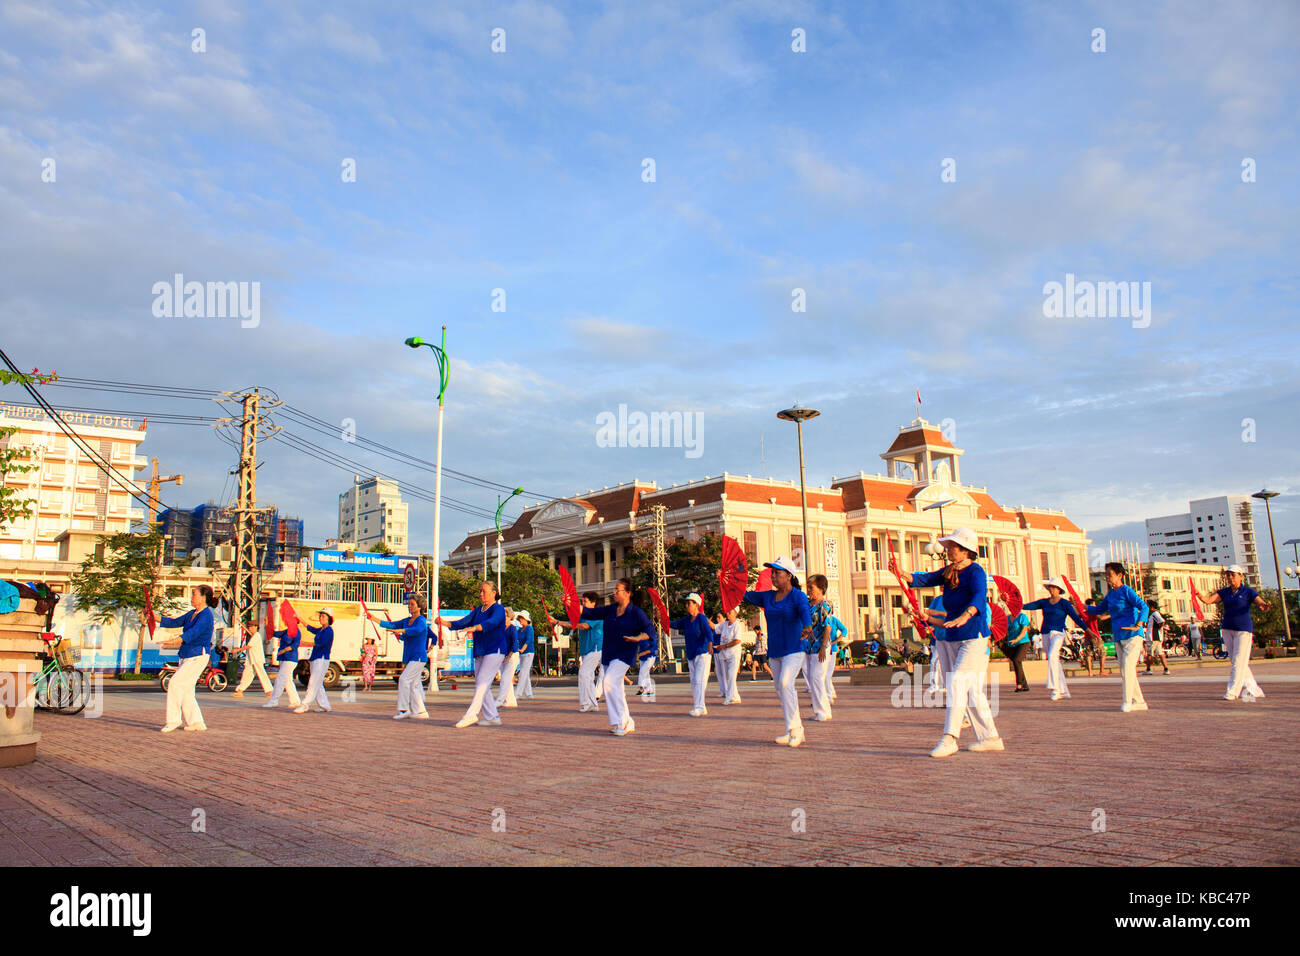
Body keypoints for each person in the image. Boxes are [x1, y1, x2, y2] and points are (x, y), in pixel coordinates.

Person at [893, 528, 1003, 758]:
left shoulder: (976, 572)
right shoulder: (949, 571)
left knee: (956, 683)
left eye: (952, 546)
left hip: (973, 635)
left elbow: (979, 596)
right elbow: (925, 578)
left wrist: (966, 615)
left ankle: (950, 737)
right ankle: (990, 737)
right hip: (952, 635)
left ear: (965, 550)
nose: (948, 550)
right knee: (971, 690)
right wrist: (902, 573)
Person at [556, 578, 653, 736]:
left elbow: (649, 630)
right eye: (614, 589)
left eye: (618, 590)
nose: (614, 593)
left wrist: (638, 638)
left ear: (628, 593)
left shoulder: (636, 613)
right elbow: (590, 612)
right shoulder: (611, 609)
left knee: (608, 683)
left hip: (624, 654)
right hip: (609, 653)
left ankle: (624, 722)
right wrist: (569, 602)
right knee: (615, 688)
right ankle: (621, 721)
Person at [743, 556, 813, 748]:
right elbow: (744, 594)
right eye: (772, 572)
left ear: (789, 576)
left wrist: (807, 626)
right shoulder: (767, 596)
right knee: (781, 689)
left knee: (784, 683)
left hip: (794, 648)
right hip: (775, 651)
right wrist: (727, 582)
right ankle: (793, 730)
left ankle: (795, 730)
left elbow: (804, 611)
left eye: (777, 573)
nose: (773, 576)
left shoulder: (797, 595)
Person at [438, 582, 508, 728]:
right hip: (480, 650)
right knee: (482, 684)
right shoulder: (478, 610)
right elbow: (463, 622)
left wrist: (476, 627)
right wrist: (445, 623)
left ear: (494, 592)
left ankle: (471, 714)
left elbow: (493, 622)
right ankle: (493, 717)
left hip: (495, 649)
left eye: (484, 591)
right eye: (480, 591)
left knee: (482, 681)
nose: (480, 594)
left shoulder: (499, 609)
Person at [1085, 563, 1151, 712]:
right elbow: (1098, 609)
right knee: (1125, 670)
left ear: (1119, 576)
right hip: (1119, 636)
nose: (1107, 577)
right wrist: (1083, 607)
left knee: (1128, 667)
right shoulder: (1110, 595)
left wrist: (1139, 623)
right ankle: (1140, 702)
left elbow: (1144, 607)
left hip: (1133, 635)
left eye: (1110, 574)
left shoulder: (1127, 591)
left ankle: (1127, 702)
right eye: (1106, 574)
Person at [1199, 565, 1270, 702]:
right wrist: (1199, 596)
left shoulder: (1248, 592)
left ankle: (1232, 692)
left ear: (1241, 576)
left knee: (1238, 661)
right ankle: (1253, 689)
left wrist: (1264, 605)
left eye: (1233, 575)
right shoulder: (1225, 592)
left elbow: (1259, 602)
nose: (1230, 578)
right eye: (1228, 575)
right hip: (1227, 629)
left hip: (1243, 630)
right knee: (1237, 662)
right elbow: (1209, 600)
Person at [156, 585, 218, 732]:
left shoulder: (206, 615)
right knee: (186, 690)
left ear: (203, 598)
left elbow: (193, 633)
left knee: (175, 683)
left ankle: (173, 720)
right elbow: (173, 622)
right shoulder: (192, 614)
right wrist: (154, 616)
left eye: (194, 595)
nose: (191, 597)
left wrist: (174, 641)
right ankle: (196, 722)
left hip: (198, 656)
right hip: (186, 655)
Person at [367, 595, 430, 720]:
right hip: (410, 656)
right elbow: (392, 624)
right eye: (409, 604)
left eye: (412, 604)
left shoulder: (421, 620)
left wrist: (402, 631)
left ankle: (404, 709)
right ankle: (421, 711)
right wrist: (374, 619)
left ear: (419, 606)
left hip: (418, 657)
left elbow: (417, 630)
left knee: (404, 679)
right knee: (414, 684)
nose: (410, 606)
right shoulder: (407, 620)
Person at [1023, 578, 1087, 700]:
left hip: (1058, 633)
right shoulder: (1044, 602)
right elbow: (1028, 606)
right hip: (1046, 633)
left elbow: (1076, 618)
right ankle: (1065, 690)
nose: (1051, 590)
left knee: (1052, 656)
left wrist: (1087, 630)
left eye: (1053, 587)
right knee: (1054, 661)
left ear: (1058, 589)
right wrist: (1013, 604)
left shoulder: (1064, 603)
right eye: (1050, 587)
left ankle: (1055, 689)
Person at [672, 592, 715, 717]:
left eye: (689, 603)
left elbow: (708, 631)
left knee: (700, 680)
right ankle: (700, 706)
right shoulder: (686, 620)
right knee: (694, 681)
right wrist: (662, 618)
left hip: (702, 653)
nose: (686, 605)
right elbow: (674, 624)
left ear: (696, 605)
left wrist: (711, 643)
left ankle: (699, 707)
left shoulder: (701, 618)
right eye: (686, 603)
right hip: (691, 654)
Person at [803, 574, 835, 722]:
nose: (809, 590)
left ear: (821, 589)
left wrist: (823, 647)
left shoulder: (825, 605)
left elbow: (827, 628)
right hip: (808, 647)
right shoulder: (808, 604)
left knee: (817, 677)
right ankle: (820, 710)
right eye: (808, 587)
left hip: (820, 648)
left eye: (812, 587)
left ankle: (822, 710)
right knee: (812, 678)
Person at [295, 608, 335, 714]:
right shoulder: (322, 629)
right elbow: (311, 628)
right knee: (317, 683)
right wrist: (300, 618)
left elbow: (319, 644)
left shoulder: (328, 631)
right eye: (320, 616)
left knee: (313, 682)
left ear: (329, 619)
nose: (320, 618)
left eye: (323, 616)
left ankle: (304, 705)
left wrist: (303, 643)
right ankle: (324, 705)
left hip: (321, 659)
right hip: (315, 658)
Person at [570, 592, 605, 712]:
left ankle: (587, 702)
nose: (583, 603)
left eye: (585, 601)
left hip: (595, 648)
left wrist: (573, 625)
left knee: (584, 674)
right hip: (585, 649)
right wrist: (557, 622)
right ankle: (593, 704)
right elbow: (573, 623)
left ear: (593, 603)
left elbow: (584, 626)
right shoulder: (583, 615)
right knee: (588, 676)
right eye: (582, 601)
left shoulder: (597, 615)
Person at [263, 613, 304, 711]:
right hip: (283, 658)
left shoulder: (297, 632)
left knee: (280, 678)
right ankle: (295, 701)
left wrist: (284, 650)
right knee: (287, 680)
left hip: (290, 658)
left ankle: (274, 701)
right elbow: (275, 634)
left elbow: (295, 644)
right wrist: (266, 625)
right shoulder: (286, 631)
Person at [232, 616, 273, 698]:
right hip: (251, 659)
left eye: (251, 627)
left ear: (255, 627)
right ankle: (240, 690)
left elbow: (249, 646)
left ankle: (270, 691)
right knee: (247, 674)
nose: (250, 629)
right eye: (249, 627)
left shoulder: (257, 635)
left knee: (262, 674)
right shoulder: (254, 636)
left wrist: (238, 650)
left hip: (257, 659)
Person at [711, 608, 742, 704]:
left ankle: (729, 697)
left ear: (736, 613)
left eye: (730, 612)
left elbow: (737, 640)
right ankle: (736, 697)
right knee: (727, 676)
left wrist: (723, 646)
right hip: (724, 655)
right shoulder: (724, 625)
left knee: (731, 676)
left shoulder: (737, 625)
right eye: (727, 612)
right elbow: (713, 627)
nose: (728, 614)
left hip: (733, 655)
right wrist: (703, 615)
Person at [1001, 603, 1032, 693]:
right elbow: (1004, 629)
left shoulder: (1022, 616)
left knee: (1017, 660)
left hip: (1023, 642)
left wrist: (1017, 639)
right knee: (1017, 663)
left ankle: (1019, 685)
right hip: (1012, 644)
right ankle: (1025, 685)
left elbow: (1024, 630)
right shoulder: (1007, 618)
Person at [496, 609, 521, 709]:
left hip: (512, 656)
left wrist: (509, 656)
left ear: (510, 617)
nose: (504, 618)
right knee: (505, 678)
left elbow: (514, 643)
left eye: (506, 616)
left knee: (506, 678)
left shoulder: (513, 628)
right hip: (502, 656)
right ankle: (511, 700)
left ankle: (500, 700)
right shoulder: (500, 629)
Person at [514, 610, 537, 700]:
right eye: (519, 618)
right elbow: (516, 640)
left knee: (523, 673)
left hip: (528, 653)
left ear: (526, 619)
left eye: (521, 618)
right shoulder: (519, 630)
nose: (520, 620)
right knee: (525, 673)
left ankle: (518, 693)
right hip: (521, 653)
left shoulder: (529, 628)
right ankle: (529, 693)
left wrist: (523, 648)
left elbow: (529, 640)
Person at [825, 612, 847, 702]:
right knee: (822, 674)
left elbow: (844, 630)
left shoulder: (834, 620)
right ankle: (831, 693)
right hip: (819, 650)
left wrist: (836, 641)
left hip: (831, 650)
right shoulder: (819, 619)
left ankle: (828, 696)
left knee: (826, 674)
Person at [1144, 604, 1169, 675]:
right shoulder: (1153, 615)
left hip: (1153, 637)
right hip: (1157, 638)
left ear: (1152, 607)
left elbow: (1161, 621)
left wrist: (1159, 628)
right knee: (1160, 653)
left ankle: (1148, 669)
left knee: (1149, 654)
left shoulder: (1155, 614)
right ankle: (1166, 668)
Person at [635, 629, 657, 702]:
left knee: (643, 671)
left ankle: (641, 688)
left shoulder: (651, 637)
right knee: (646, 674)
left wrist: (645, 652)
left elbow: (654, 648)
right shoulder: (641, 637)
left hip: (650, 657)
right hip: (642, 658)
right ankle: (649, 690)